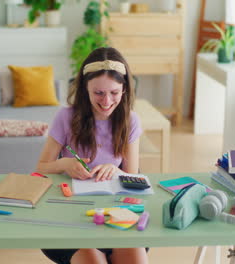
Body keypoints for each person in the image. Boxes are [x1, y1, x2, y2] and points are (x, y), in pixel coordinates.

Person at [36, 47, 148, 264]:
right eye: (98, 93)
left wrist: (117, 170)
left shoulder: (130, 120)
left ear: (124, 90)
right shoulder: (66, 117)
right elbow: (41, 167)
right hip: (69, 215)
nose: (106, 101)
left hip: (116, 213)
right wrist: (64, 163)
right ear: (84, 89)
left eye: (114, 92)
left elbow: (133, 175)